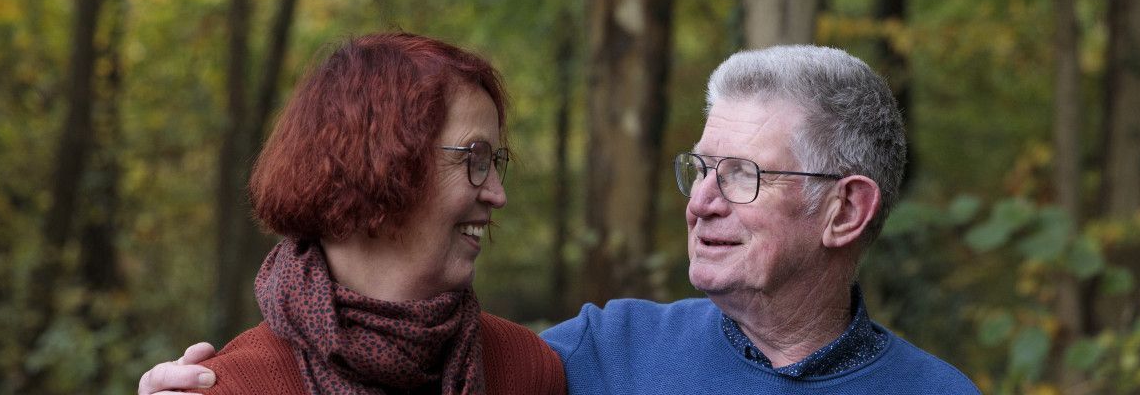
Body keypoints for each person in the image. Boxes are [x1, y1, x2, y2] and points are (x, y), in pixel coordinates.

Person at [142, 44, 977, 394]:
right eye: (700, 168)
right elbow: (389, 350)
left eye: (743, 174)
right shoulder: (599, 357)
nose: (701, 198)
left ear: (847, 210)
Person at [138, 32, 566, 394]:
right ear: (377, 162)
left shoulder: (525, 368)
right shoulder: (231, 386)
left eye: (495, 161)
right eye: (474, 157)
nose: (497, 193)